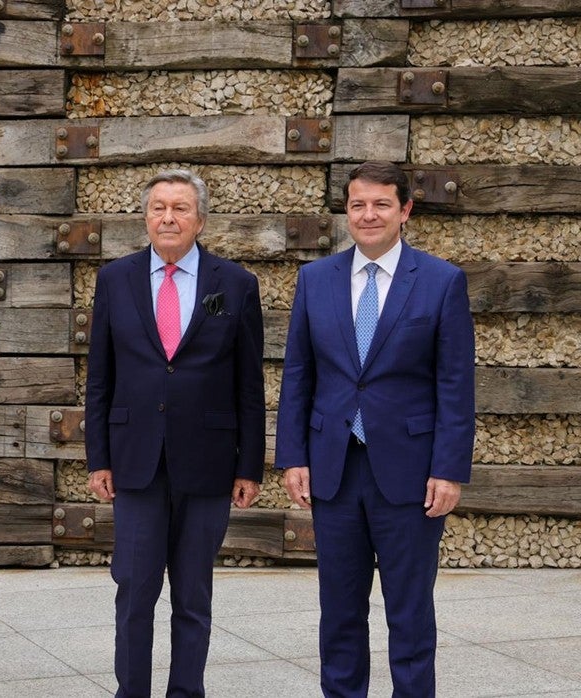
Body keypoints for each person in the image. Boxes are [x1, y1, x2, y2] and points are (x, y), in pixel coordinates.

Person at [276, 161, 476, 697]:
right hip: (334, 470)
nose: (369, 214)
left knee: (410, 616)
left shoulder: (441, 281)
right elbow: (299, 372)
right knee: (339, 613)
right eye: (358, 204)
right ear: (347, 210)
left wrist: (449, 469)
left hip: (411, 475)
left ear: (405, 210)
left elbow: (455, 384)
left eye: (382, 204)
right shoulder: (315, 280)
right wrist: (294, 455)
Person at [85, 169, 265, 697]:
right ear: (145, 217)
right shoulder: (115, 280)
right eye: (159, 207)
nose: (168, 217)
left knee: (193, 596)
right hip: (135, 461)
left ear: (200, 220)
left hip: (208, 464)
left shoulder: (234, 284)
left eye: (180, 208)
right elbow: (100, 377)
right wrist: (99, 457)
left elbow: (248, 384)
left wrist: (248, 466)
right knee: (135, 593)